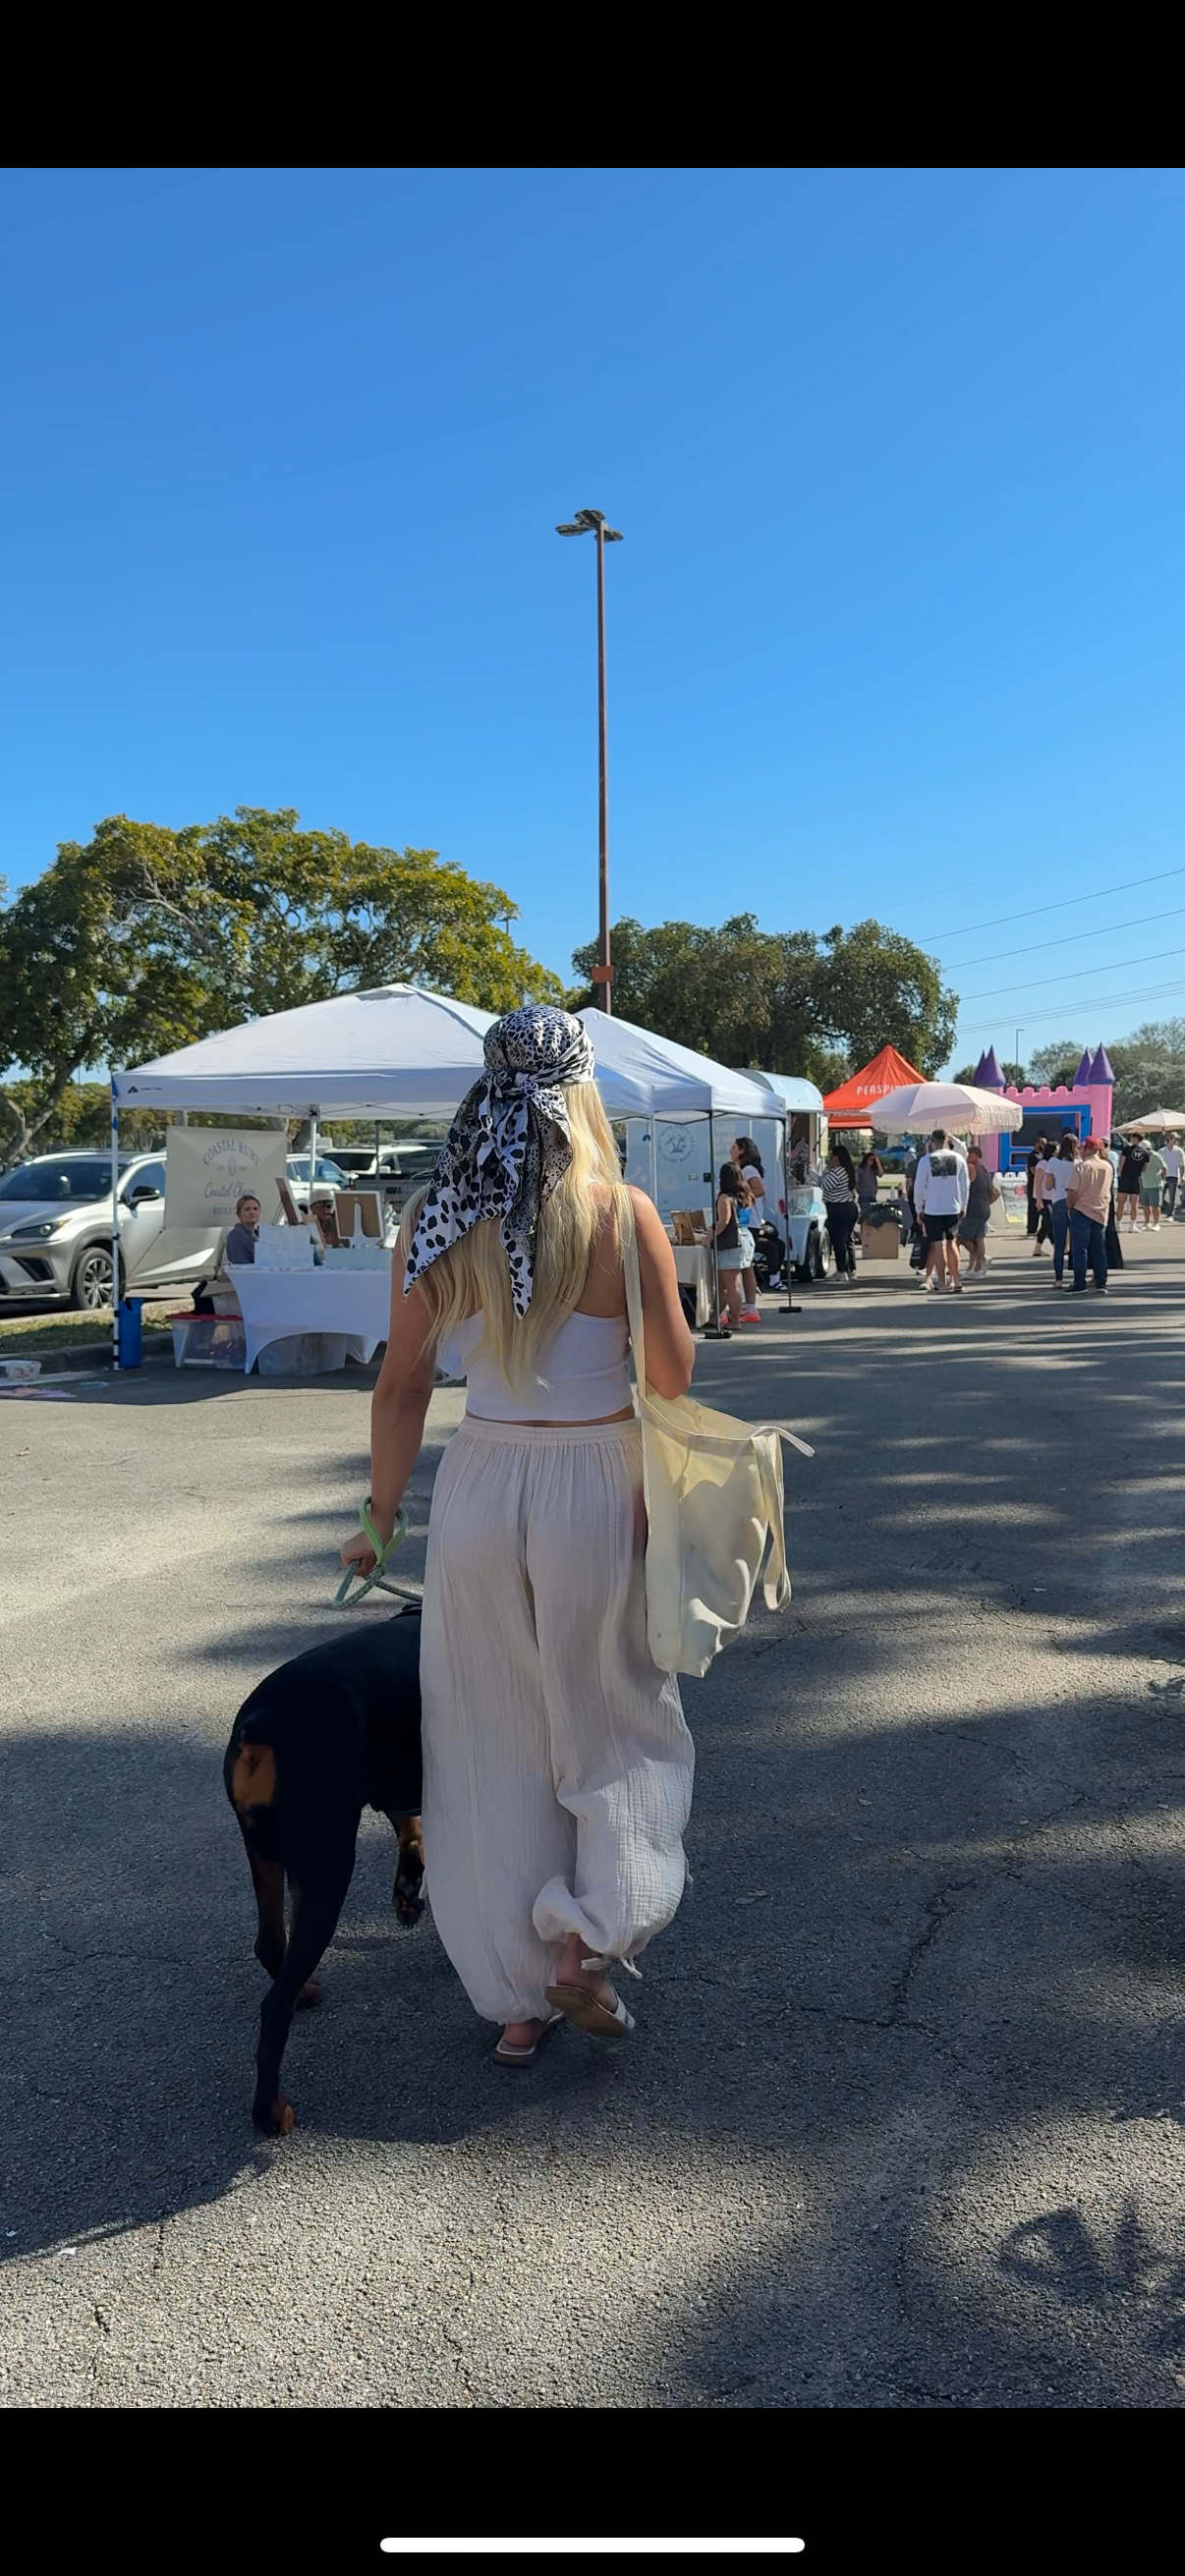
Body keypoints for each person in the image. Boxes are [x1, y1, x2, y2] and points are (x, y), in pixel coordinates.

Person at [339, 1005, 696, 2066]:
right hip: (597, 1479)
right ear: (582, 1092)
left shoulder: (436, 1216)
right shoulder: (620, 1212)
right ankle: (587, 1942)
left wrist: (377, 1521)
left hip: (482, 1485)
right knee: (613, 1719)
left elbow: (401, 1387)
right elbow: (672, 1373)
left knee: (488, 1736)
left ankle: (514, 1998)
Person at [913, 1129, 969, 1292]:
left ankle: (942, 1282)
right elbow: (965, 1185)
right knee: (952, 1243)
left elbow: (919, 1187)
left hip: (933, 1208)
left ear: (932, 1141)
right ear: (947, 1140)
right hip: (953, 1207)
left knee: (938, 1245)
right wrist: (964, 1205)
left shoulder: (925, 1161)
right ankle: (956, 1279)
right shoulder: (958, 1158)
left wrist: (918, 1208)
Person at [1065, 1138, 1114, 1295]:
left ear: (1087, 1149)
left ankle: (1080, 1283)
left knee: (1080, 1249)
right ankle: (1101, 1282)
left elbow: (1072, 1192)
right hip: (1101, 1211)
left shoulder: (1080, 1167)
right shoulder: (1107, 1166)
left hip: (1082, 1210)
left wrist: (1069, 1207)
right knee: (1099, 1249)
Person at [731, 1137, 774, 1308]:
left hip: (749, 1223)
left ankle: (748, 1304)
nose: (731, 1150)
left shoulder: (748, 1170)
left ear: (742, 1150)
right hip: (749, 1222)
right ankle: (747, 1304)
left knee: (745, 1266)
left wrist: (740, 1199)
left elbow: (760, 1190)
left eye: (734, 1147)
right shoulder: (745, 1169)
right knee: (745, 1265)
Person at [705, 1161, 747, 1327]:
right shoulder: (740, 1196)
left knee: (730, 1285)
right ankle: (715, 1317)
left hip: (728, 1245)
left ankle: (735, 1320)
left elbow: (723, 1222)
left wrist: (709, 1237)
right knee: (725, 1285)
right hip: (739, 1241)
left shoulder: (724, 1198)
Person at [1041, 1134, 1080, 1288]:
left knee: (1059, 1244)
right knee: (1077, 1243)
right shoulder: (1079, 1163)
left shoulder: (1053, 1162)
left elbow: (1048, 1185)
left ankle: (1058, 1279)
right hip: (1077, 1203)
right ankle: (1078, 1277)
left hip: (1059, 1201)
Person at [958, 1146, 999, 1279]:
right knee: (978, 1238)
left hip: (973, 1209)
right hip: (984, 1209)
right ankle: (976, 1268)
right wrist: (986, 1203)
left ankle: (979, 1257)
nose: (966, 1158)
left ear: (976, 1156)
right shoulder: (985, 1171)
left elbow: (963, 1185)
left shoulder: (970, 1167)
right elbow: (996, 1192)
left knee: (960, 1236)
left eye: (969, 1155)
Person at [819, 1145, 859, 1285]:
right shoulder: (848, 1170)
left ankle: (841, 1270)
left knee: (839, 1241)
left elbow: (824, 1186)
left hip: (838, 1208)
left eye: (832, 1156)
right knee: (848, 1240)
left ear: (837, 1157)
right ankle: (851, 1270)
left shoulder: (837, 1172)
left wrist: (824, 1173)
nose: (830, 1159)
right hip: (849, 1207)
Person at [1115, 1135, 1149, 1231]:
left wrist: (1120, 1173)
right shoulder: (1145, 1152)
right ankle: (1132, 1225)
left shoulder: (1126, 1150)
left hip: (1125, 1177)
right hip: (1136, 1178)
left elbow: (1122, 1162)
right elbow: (1145, 1168)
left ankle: (1118, 1225)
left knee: (1121, 1203)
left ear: (1134, 1139)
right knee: (1134, 1203)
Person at [224, 1193, 262, 1265]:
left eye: (255, 1209)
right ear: (239, 1213)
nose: (252, 1212)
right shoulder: (236, 1235)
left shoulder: (260, 1235)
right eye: (247, 1209)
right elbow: (239, 1264)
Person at [1139, 1143, 1166, 1230]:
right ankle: (1147, 1223)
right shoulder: (1140, 1156)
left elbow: (1164, 1168)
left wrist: (1161, 1180)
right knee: (1145, 1205)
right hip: (1144, 1183)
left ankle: (1156, 1223)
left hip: (1155, 1184)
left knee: (1155, 1205)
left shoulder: (1155, 1156)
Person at [1025, 1137, 1048, 1239]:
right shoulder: (1033, 1156)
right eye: (1042, 1144)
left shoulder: (1044, 1156)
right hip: (1033, 1184)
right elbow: (1033, 1170)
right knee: (1033, 1207)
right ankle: (1031, 1229)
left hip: (1042, 1185)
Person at [1160, 1138, 1184, 1219]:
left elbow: (1182, 1165)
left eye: (1176, 1140)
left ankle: (1170, 1213)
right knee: (1160, 1195)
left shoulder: (1179, 1151)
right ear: (1169, 1140)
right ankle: (1164, 1208)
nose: (1175, 1141)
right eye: (1174, 1139)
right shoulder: (1162, 1151)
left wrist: (1182, 1176)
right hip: (1163, 1175)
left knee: (1172, 1196)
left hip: (1174, 1175)